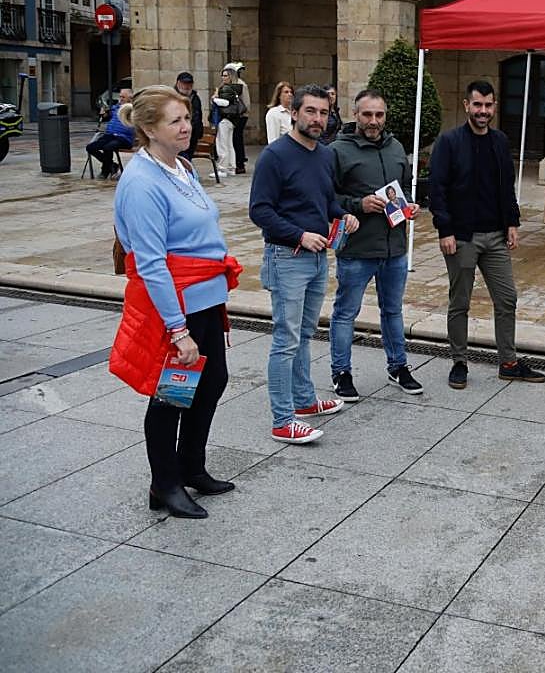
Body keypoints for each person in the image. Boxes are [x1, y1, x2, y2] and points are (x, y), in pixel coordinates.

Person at [109, 85, 242, 519]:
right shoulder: (141, 182)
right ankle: (164, 484)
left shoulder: (182, 166)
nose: (187, 127)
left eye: (187, 118)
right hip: (177, 305)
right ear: (149, 128)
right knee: (172, 395)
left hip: (204, 297)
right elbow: (150, 263)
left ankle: (191, 466)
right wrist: (177, 330)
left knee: (211, 382)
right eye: (175, 121)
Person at [249, 84, 360, 444]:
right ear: (293, 113)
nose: (317, 118)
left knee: (305, 335)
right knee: (286, 338)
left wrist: (344, 216)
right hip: (288, 257)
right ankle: (283, 420)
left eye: (323, 112)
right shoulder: (275, 156)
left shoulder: (325, 155)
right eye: (310, 111)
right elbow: (260, 210)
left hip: (317, 258)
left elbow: (325, 203)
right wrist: (299, 235)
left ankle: (304, 401)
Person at [428, 79, 545, 389]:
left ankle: (508, 361)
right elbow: (437, 189)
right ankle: (459, 361)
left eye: (488, 105)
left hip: (495, 236)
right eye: (477, 104)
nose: (483, 111)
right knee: (461, 302)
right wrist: (446, 230)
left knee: (507, 298)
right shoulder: (449, 142)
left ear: (494, 106)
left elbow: (506, 187)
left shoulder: (499, 141)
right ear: (467, 105)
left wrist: (512, 223)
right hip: (462, 237)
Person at [328, 88, 424, 400]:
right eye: (367, 114)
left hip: (394, 249)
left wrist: (410, 207)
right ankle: (341, 373)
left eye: (379, 115)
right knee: (345, 313)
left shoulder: (396, 147)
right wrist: (357, 204)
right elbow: (327, 198)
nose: (373, 121)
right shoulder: (337, 151)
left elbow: (401, 192)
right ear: (355, 115)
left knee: (392, 311)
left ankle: (398, 366)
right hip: (357, 250)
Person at [87, 87, 135, 178]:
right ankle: (112, 165)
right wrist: (103, 113)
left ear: (130, 98)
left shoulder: (133, 109)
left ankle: (105, 171)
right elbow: (106, 116)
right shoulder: (115, 107)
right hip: (110, 135)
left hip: (124, 137)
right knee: (90, 147)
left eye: (123, 97)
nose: (120, 99)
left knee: (108, 147)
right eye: (120, 97)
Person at [210, 67, 241, 176]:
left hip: (224, 119)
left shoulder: (226, 89)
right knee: (229, 144)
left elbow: (225, 103)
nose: (223, 77)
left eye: (226, 75)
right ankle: (231, 167)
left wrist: (214, 98)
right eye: (223, 75)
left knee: (222, 144)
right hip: (231, 120)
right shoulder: (234, 88)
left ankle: (223, 169)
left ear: (231, 77)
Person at [175, 72, 204, 160]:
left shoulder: (195, 98)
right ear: (178, 83)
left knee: (187, 158)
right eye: (184, 83)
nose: (187, 86)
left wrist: (198, 130)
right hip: (178, 134)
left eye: (189, 84)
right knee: (181, 158)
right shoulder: (173, 97)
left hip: (192, 135)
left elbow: (198, 115)